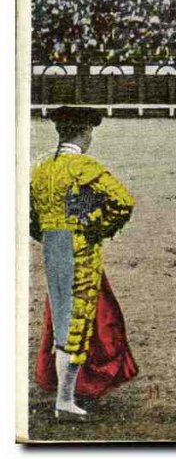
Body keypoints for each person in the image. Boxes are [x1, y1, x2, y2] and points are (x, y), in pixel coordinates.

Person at [30, 106, 138, 420]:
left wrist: (49, 235)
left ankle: (64, 397)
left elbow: (30, 218)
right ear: (85, 132)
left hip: (52, 248)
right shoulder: (83, 166)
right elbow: (123, 201)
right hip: (79, 249)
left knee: (63, 319)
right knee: (78, 321)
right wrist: (94, 226)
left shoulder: (41, 169)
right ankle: (64, 400)